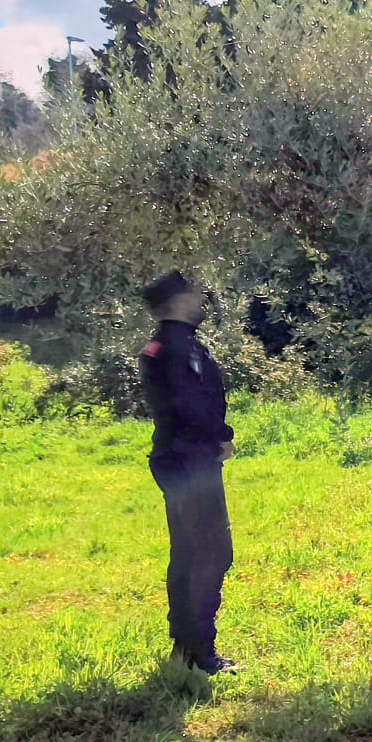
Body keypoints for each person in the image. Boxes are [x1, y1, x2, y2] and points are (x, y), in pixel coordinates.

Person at [139, 271, 236, 674]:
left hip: (172, 457)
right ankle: (200, 653)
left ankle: (185, 648)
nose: (200, 300)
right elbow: (193, 404)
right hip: (192, 459)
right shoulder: (181, 349)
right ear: (180, 301)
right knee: (211, 552)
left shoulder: (159, 346)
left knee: (188, 552)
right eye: (194, 294)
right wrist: (220, 438)